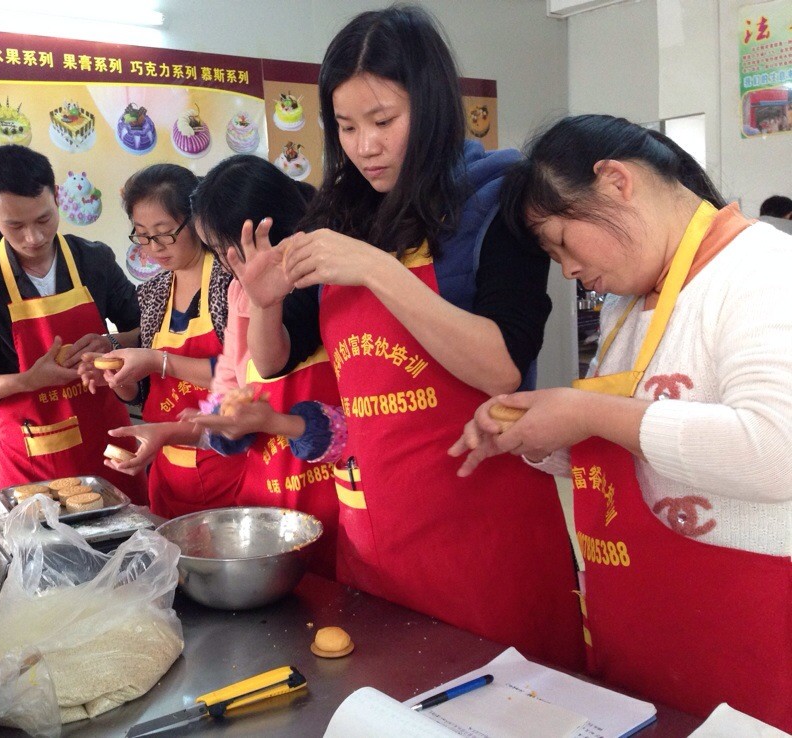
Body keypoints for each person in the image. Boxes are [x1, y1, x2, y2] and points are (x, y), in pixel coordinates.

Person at [238, 6, 585, 670]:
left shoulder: (497, 199)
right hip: (378, 533)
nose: (363, 146)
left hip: (484, 535)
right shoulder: (341, 210)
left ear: (429, 109)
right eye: (345, 127)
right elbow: (273, 361)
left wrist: (375, 269)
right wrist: (265, 305)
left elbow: (503, 366)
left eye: (382, 122)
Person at [453, 114, 792, 728]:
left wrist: (585, 408)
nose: (566, 269)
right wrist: (534, 432)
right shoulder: (625, 307)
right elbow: (628, 446)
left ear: (614, 181)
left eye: (561, 240)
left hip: (751, 653)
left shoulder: (761, 270)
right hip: (648, 644)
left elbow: (777, 451)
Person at [0, 145, 146, 501]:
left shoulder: (93, 259)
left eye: (43, 219)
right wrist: (27, 380)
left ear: (56, 197)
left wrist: (112, 344)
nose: (33, 238)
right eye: (15, 225)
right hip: (29, 456)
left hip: (108, 443)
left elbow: (147, 332)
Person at [188, 154, 344, 579]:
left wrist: (264, 301)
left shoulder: (332, 278)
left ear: (268, 228)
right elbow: (232, 381)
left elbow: (271, 361)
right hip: (269, 496)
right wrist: (209, 420)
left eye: (226, 248)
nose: (223, 263)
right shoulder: (239, 292)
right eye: (215, 251)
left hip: (338, 491)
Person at [85, 164, 243, 518]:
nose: (153, 247)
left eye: (164, 233)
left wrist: (159, 360)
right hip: (169, 472)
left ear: (197, 221)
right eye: (142, 234)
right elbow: (144, 393)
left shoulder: (229, 279)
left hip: (232, 468)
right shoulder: (154, 293)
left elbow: (247, 374)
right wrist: (117, 377)